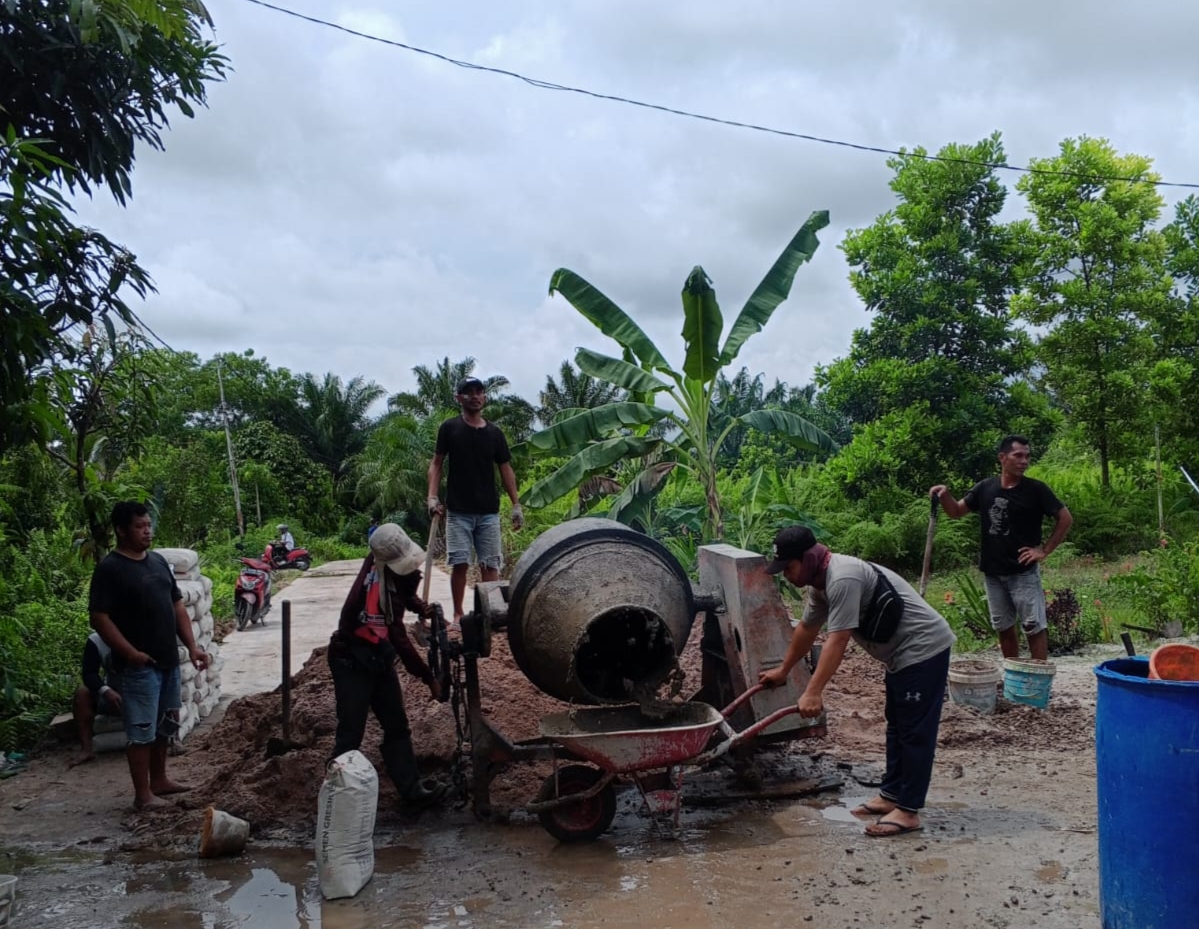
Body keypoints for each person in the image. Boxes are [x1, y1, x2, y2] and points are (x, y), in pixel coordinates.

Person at [758, 525, 956, 838]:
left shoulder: (843, 577)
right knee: (897, 725)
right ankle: (891, 795)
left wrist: (813, 692)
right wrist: (783, 671)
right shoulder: (820, 585)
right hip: (901, 655)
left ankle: (908, 810)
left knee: (915, 731)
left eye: (789, 567)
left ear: (808, 559)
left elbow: (838, 639)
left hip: (924, 648)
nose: (786, 576)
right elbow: (807, 630)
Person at [88, 501, 210, 810]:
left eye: (148, 525)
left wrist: (192, 646)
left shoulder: (156, 562)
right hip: (138, 666)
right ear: (121, 530)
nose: (147, 531)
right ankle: (142, 795)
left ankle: (160, 780)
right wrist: (130, 653)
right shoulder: (110, 569)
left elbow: (177, 606)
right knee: (141, 729)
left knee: (166, 722)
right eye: (140, 527)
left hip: (167, 659)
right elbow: (99, 618)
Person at [328, 522, 446, 808]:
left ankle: (412, 791)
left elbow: (404, 590)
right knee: (351, 732)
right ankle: (333, 800)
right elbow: (400, 640)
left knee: (396, 725)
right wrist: (429, 677)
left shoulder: (384, 566)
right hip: (352, 660)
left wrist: (421, 608)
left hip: (377, 657)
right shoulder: (372, 588)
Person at [930, 435, 1073, 661]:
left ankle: (1037, 679)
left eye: (1027, 456)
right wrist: (945, 495)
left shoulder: (1036, 490)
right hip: (993, 572)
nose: (1024, 461)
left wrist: (1043, 550)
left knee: (1033, 626)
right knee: (1003, 626)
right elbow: (956, 512)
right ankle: (1013, 675)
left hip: (1023, 572)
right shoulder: (985, 488)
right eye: (1018, 455)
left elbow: (1065, 519)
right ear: (1002, 458)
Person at [427, 376, 523, 622]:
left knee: (490, 565)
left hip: (488, 512)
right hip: (459, 511)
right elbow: (437, 464)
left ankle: (488, 614)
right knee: (460, 563)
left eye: (479, 391)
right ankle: (459, 614)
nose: (475, 396)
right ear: (459, 398)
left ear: (485, 397)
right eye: (469, 392)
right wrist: (432, 496)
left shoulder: (494, 434)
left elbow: (506, 469)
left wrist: (516, 505)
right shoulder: (450, 428)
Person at [69, 632, 123, 768]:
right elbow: (89, 673)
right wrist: (106, 691)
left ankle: (172, 738)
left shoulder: (139, 631)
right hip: (112, 694)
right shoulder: (96, 640)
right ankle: (86, 749)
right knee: (82, 693)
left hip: (140, 693)